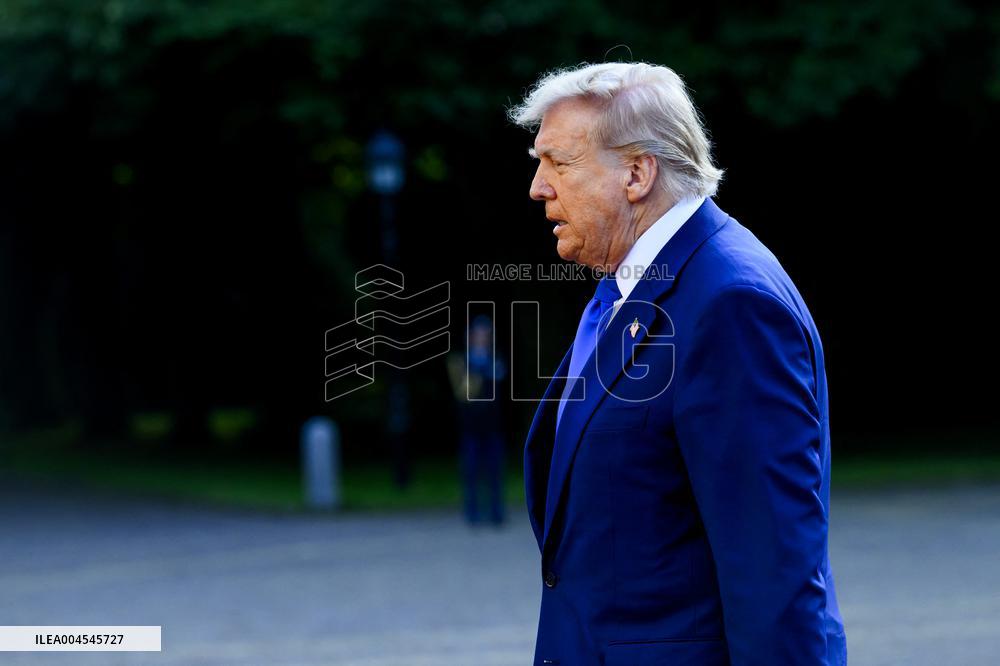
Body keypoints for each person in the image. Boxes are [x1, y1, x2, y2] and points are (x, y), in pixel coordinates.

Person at [510, 62, 847, 666]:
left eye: (558, 163)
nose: (538, 186)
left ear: (637, 173)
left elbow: (775, 569)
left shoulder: (729, 302)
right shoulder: (633, 288)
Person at [447, 315, 507, 526]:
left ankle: (496, 512)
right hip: (470, 427)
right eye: (479, 334)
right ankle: (472, 513)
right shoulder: (459, 361)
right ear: (471, 336)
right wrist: (481, 371)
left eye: (487, 335)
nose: (483, 338)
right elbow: (463, 392)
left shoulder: (496, 358)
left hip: (492, 426)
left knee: (495, 471)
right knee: (471, 471)